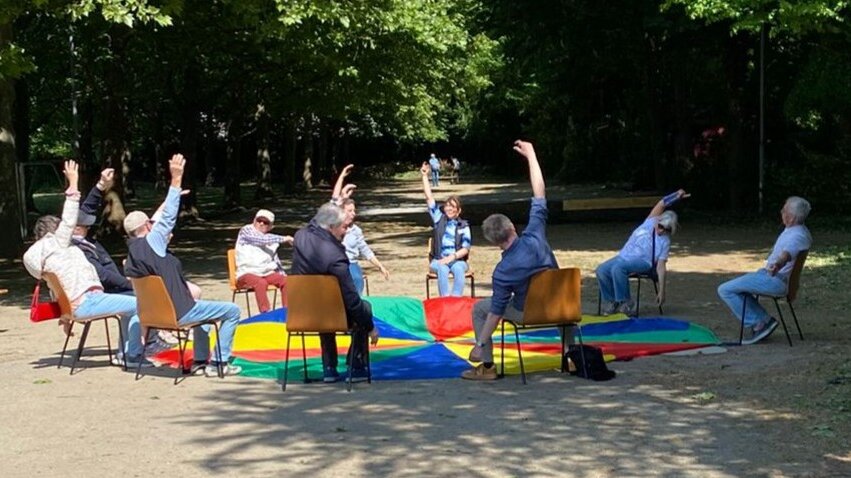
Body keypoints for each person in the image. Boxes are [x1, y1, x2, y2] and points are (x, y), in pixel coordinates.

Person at [124, 154, 242, 377]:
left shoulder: (132, 253)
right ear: (148, 227)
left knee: (201, 307)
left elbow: (158, 219)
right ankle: (219, 363)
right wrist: (175, 181)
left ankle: (199, 361)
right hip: (178, 313)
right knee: (232, 311)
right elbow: (167, 218)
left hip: (153, 316)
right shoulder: (153, 242)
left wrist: (170, 198)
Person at [23, 160, 149, 367]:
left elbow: (58, 287)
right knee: (138, 303)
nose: (72, 230)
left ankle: (127, 352)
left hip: (75, 305)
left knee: (133, 300)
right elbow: (72, 215)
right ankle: (131, 355)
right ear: (55, 233)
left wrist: (100, 185)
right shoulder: (60, 245)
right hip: (88, 301)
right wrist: (73, 184)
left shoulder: (40, 259)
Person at [462, 140, 557, 380]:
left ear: (494, 242)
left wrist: (480, 344)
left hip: (532, 312)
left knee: (480, 309)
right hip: (562, 306)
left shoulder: (503, 271)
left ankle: (487, 367)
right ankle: (572, 355)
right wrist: (531, 156)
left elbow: (495, 313)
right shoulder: (536, 235)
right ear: (512, 227)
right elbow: (539, 192)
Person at [291, 202, 379, 383]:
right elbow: (352, 300)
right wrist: (370, 327)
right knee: (363, 307)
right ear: (331, 227)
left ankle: (329, 368)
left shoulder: (300, 236)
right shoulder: (336, 256)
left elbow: (315, 221)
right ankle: (357, 365)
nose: (346, 231)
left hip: (300, 314)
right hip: (331, 315)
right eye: (344, 227)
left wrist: (337, 200)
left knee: (324, 307)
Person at [718, 197, 812, 344]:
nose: (781, 211)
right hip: (771, 276)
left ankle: (760, 323)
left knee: (725, 290)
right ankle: (762, 320)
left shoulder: (797, 236)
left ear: (792, 217)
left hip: (775, 279)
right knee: (737, 288)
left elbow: (786, 255)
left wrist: (777, 265)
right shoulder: (798, 230)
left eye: (784, 209)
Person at [595, 189, 689, 316]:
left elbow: (661, 266)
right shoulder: (650, 221)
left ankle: (625, 302)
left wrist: (662, 290)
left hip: (644, 261)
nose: (661, 231)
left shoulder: (665, 242)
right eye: (661, 226)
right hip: (624, 255)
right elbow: (661, 203)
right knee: (601, 270)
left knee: (618, 268)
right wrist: (676, 196)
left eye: (666, 229)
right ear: (658, 221)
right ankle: (611, 302)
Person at [331, 164, 390, 295]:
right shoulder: (334, 225)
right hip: (335, 263)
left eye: (354, 210)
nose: (353, 213)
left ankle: (356, 308)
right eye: (349, 211)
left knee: (356, 278)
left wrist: (380, 266)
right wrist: (342, 176)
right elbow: (334, 200)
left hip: (351, 263)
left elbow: (366, 250)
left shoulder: (356, 230)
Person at [420, 161, 472, 297]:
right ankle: (445, 300)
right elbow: (429, 198)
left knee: (459, 268)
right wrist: (425, 176)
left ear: (458, 210)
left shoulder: (463, 225)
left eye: (452, 207)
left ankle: (455, 299)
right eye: (447, 206)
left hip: (457, 260)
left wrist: (452, 258)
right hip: (438, 260)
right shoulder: (439, 218)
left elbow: (465, 249)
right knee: (442, 268)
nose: (449, 208)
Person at [235, 209, 293, 313]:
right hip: (246, 273)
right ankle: (265, 313)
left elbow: (276, 261)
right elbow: (260, 239)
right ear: (254, 220)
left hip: (266, 273)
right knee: (260, 282)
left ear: (270, 226)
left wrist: (283, 276)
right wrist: (285, 238)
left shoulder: (272, 240)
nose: (261, 223)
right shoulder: (246, 230)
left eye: (265, 222)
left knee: (287, 280)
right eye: (259, 220)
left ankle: (287, 311)